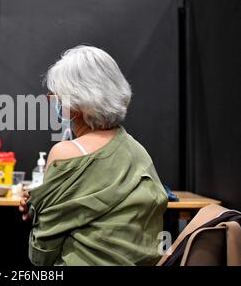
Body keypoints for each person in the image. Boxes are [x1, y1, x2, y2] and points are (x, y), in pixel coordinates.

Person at [19, 45, 168, 266]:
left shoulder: (65, 153)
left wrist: (38, 209)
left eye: (57, 96)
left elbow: (42, 253)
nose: (54, 102)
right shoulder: (139, 153)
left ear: (77, 103)